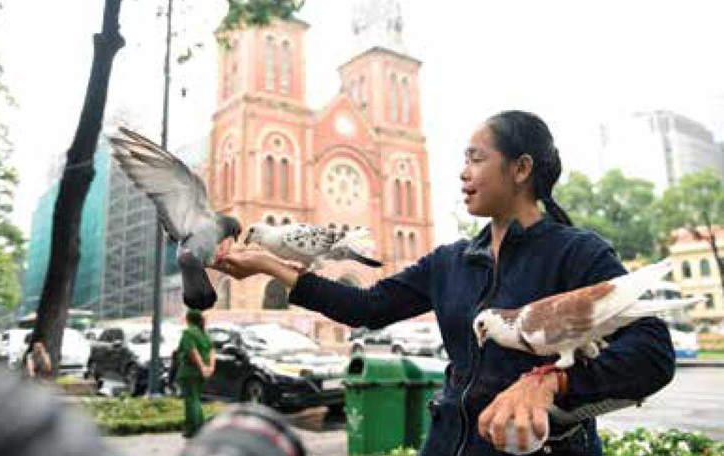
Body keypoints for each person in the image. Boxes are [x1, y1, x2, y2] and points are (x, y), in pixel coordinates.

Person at [213, 110, 675, 455]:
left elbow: (653, 353)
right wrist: (270, 266)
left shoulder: (578, 254)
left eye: (476, 159)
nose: (463, 172)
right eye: (463, 160)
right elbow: (367, 308)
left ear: (520, 169)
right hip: (449, 443)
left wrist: (552, 382)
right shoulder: (451, 262)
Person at [177, 309, 216, 438]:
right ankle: (200, 427)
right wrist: (210, 367)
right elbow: (212, 351)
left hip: (189, 371)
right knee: (196, 399)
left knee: (190, 400)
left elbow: (192, 352)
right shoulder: (203, 333)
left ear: (188, 319)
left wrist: (202, 367)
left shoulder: (188, 332)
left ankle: (192, 429)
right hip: (200, 373)